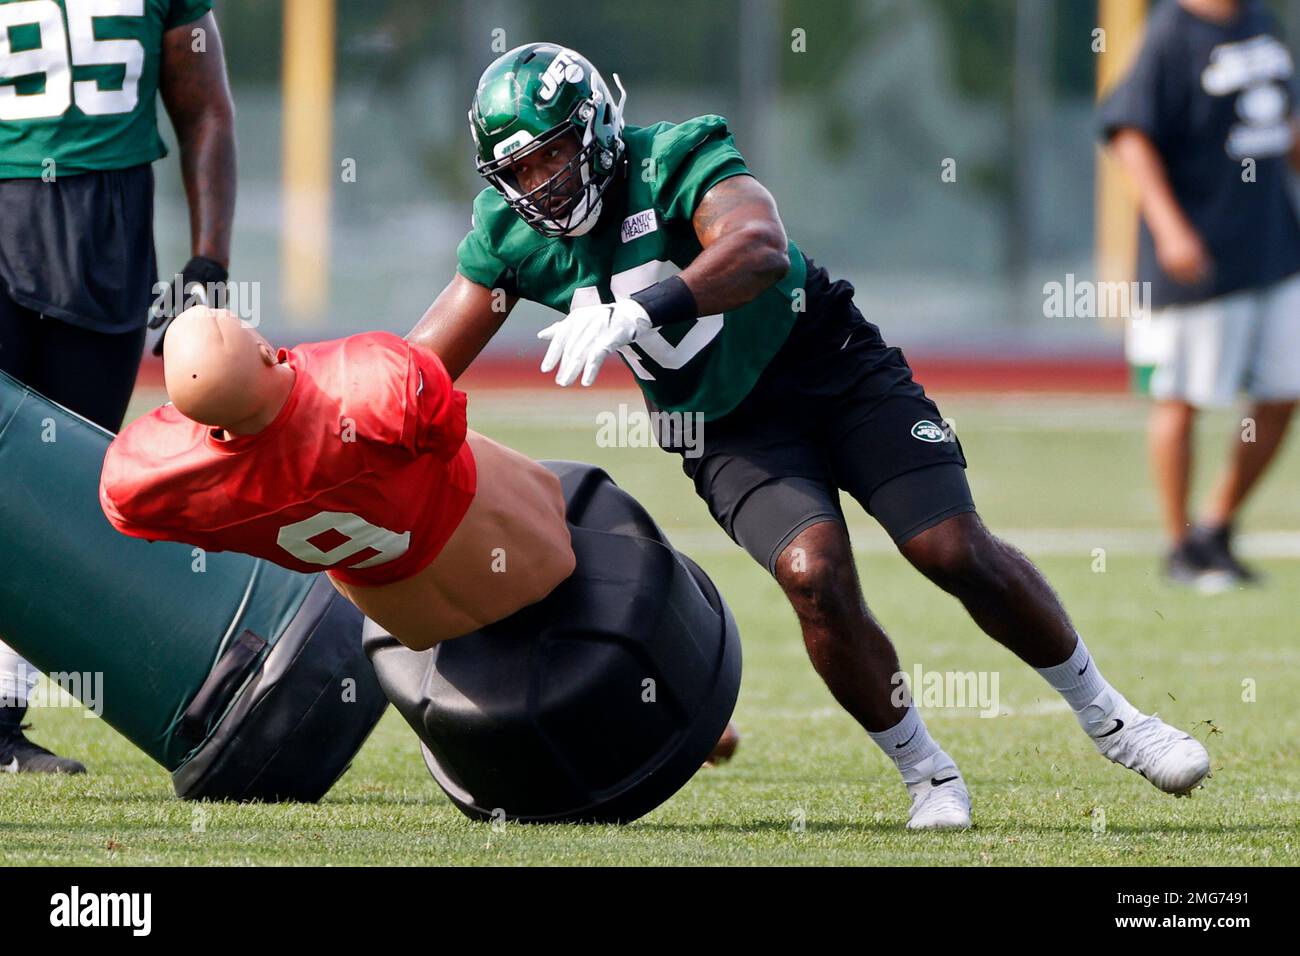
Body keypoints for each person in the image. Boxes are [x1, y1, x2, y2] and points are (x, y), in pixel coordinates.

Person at [407, 42, 1213, 830]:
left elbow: (756, 250)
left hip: (831, 365)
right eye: (516, 173)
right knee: (814, 574)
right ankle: (926, 772)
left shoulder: (677, 155)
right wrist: (325, 413)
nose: (538, 187)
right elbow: (416, 369)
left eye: (550, 159)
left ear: (598, 130)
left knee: (951, 548)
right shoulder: (511, 239)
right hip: (725, 426)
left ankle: (1113, 720)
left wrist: (646, 307)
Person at [0, 0, 236, 772]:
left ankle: (2, 721)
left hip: (103, 235)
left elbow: (203, 108)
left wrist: (207, 264)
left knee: (59, 495)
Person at [99, 307, 575, 650]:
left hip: (405, 615)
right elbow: (445, 427)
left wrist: (207, 404)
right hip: (512, 543)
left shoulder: (151, 480)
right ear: (265, 351)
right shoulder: (371, 382)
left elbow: (127, 503)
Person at [1101, 0, 1300, 590]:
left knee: (1284, 390)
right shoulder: (1170, 32)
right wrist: (1168, 227)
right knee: (1181, 396)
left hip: (1274, 246)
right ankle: (1179, 544)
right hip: (1199, 253)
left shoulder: (1261, 21)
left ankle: (1216, 529)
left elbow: (1282, 125)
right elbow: (1131, 133)